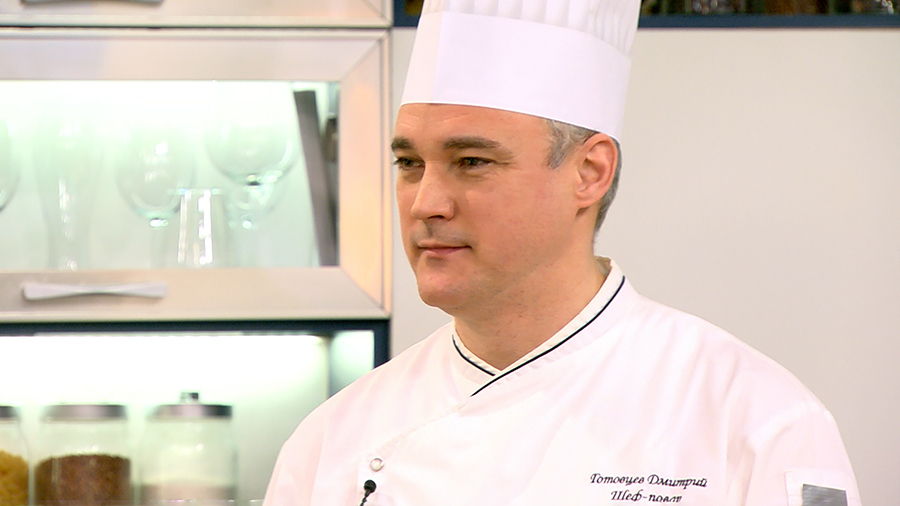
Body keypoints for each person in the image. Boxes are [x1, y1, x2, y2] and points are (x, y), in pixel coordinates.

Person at [262, 0, 861, 504]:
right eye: (410, 163)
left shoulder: (754, 419)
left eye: (472, 161)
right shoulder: (332, 441)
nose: (426, 203)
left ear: (589, 172)